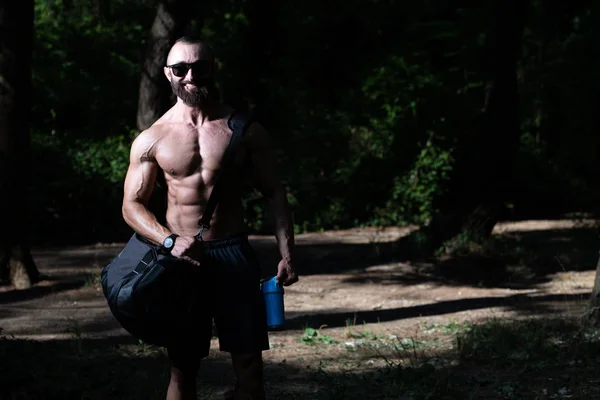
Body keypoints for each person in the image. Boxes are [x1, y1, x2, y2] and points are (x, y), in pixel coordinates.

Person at [121, 36, 298, 400]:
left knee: (250, 365)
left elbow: (274, 191)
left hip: (233, 253)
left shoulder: (244, 130)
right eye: (181, 69)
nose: (190, 76)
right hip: (183, 261)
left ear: (211, 69)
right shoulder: (152, 138)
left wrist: (287, 252)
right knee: (183, 368)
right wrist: (170, 241)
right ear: (167, 74)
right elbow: (131, 205)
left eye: (198, 67)